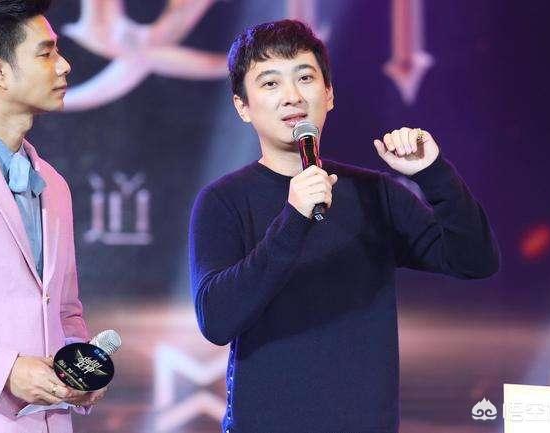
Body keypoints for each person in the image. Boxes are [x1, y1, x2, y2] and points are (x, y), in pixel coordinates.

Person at [189, 19, 499, 433]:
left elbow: (475, 260)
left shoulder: (375, 193)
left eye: (305, 78)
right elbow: (217, 320)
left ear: (329, 94)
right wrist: (293, 219)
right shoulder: (223, 201)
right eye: (270, 83)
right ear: (242, 106)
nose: (293, 96)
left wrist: (434, 173)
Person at [0, 1, 106, 432]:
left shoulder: (54, 184)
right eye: (46, 53)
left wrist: (80, 366)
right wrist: (4, 370)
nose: (64, 65)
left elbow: (64, 309)